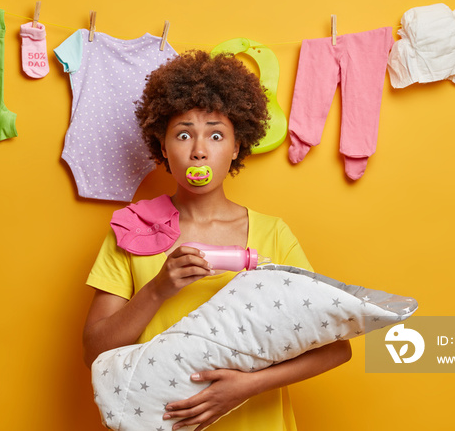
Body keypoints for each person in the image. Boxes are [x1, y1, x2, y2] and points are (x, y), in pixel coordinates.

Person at [83, 50, 352, 431]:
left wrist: (247, 386)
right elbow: (95, 350)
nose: (199, 150)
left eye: (215, 133)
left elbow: (336, 347)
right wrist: (158, 289)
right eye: (182, 134)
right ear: (163, 147)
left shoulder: (273, 234)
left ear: (237, 146)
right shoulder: (132, 228)